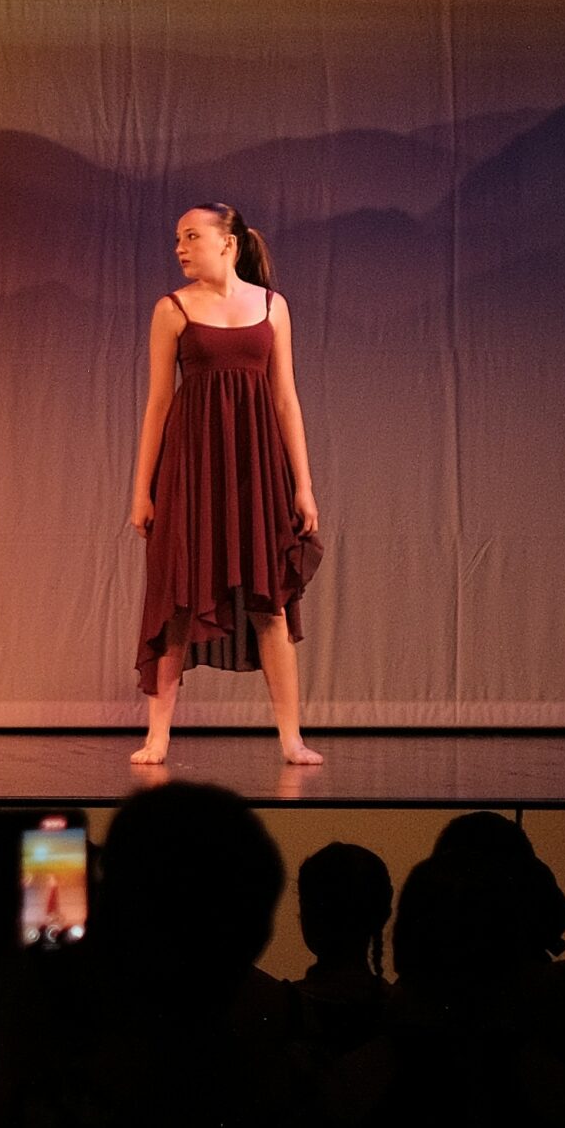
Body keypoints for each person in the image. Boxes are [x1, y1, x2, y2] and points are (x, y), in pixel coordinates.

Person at [128, 203, 321, 766]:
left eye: (191, 236)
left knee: (270, 602)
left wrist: (303, 485)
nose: (180, 248)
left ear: (228, 243)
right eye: (177, 238)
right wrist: (142, 489)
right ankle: (158, 736)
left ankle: (291, 739)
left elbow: (286, 400)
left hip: (256, 469)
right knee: (178, 597)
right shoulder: (172, 310)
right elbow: (158, 404)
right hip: (191, 470)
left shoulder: (272, 307)